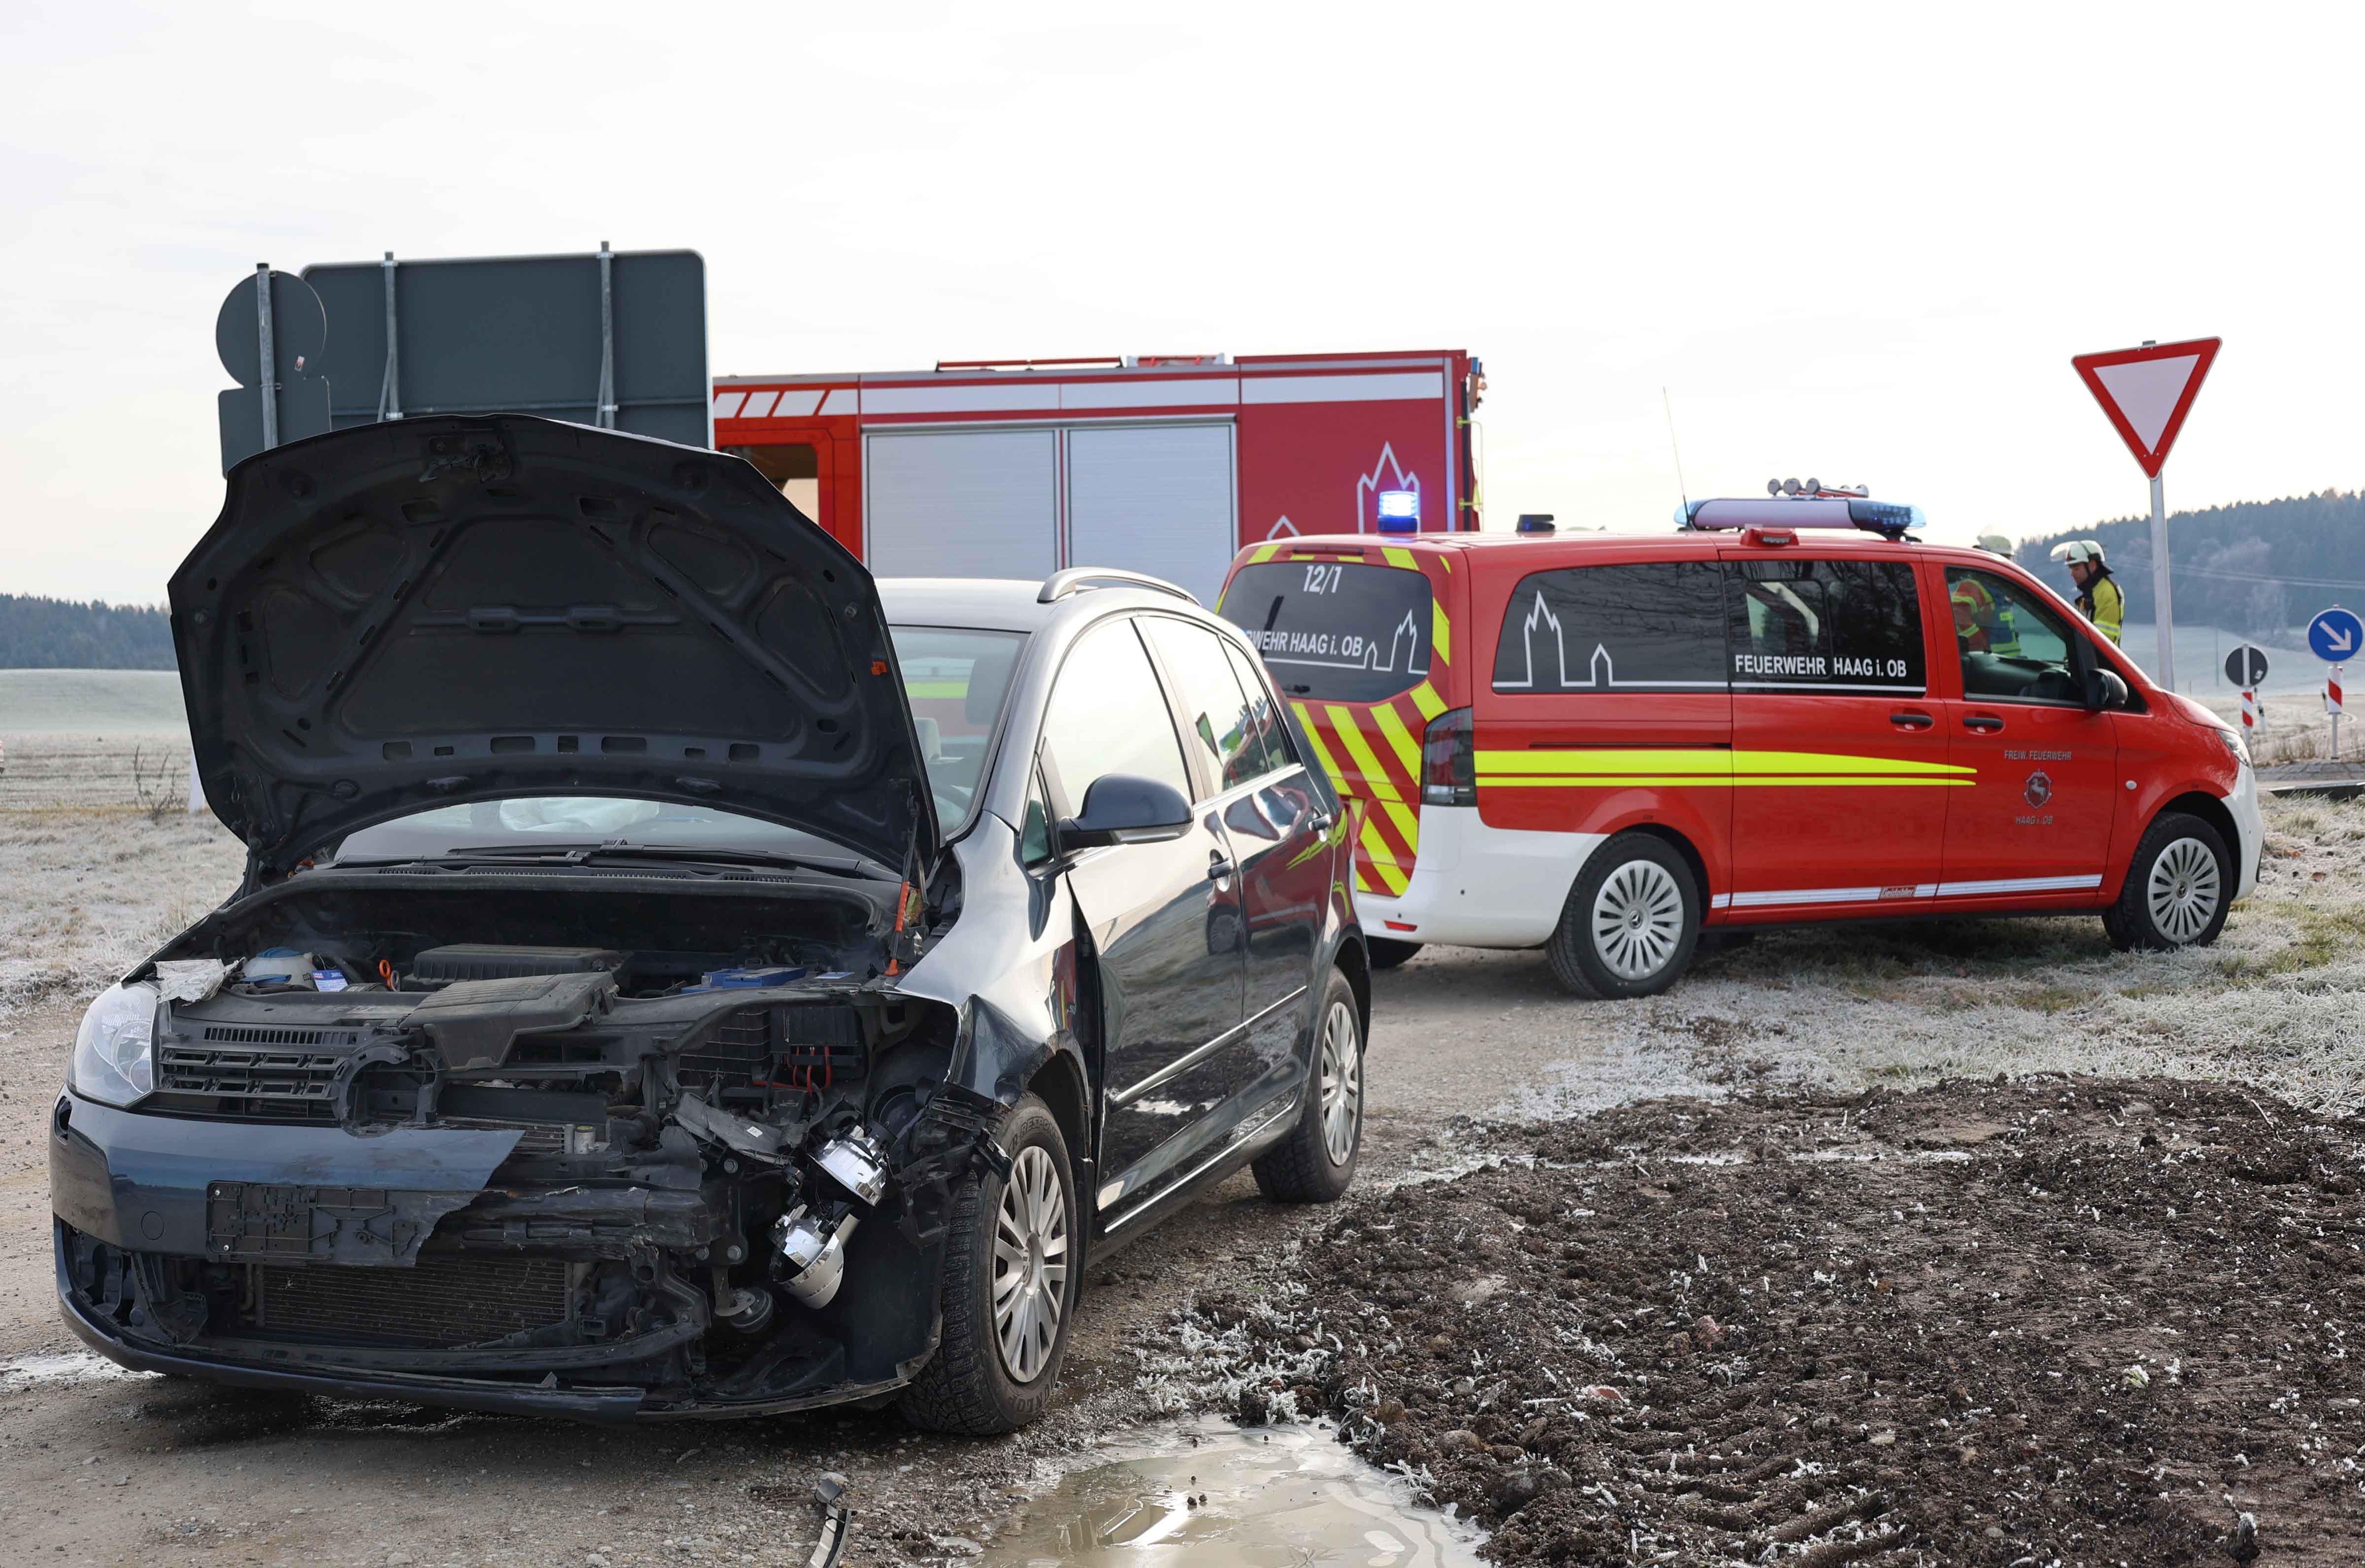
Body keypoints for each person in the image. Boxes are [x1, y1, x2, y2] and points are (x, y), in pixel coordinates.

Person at [2049, 539, 2124, 645]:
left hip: (2098, 662)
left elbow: (2102, 645)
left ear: (2092, 566)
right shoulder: (2091, 593)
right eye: (2071, 569)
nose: (2072, 574)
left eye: (2076, 569)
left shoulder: (2107, 593)